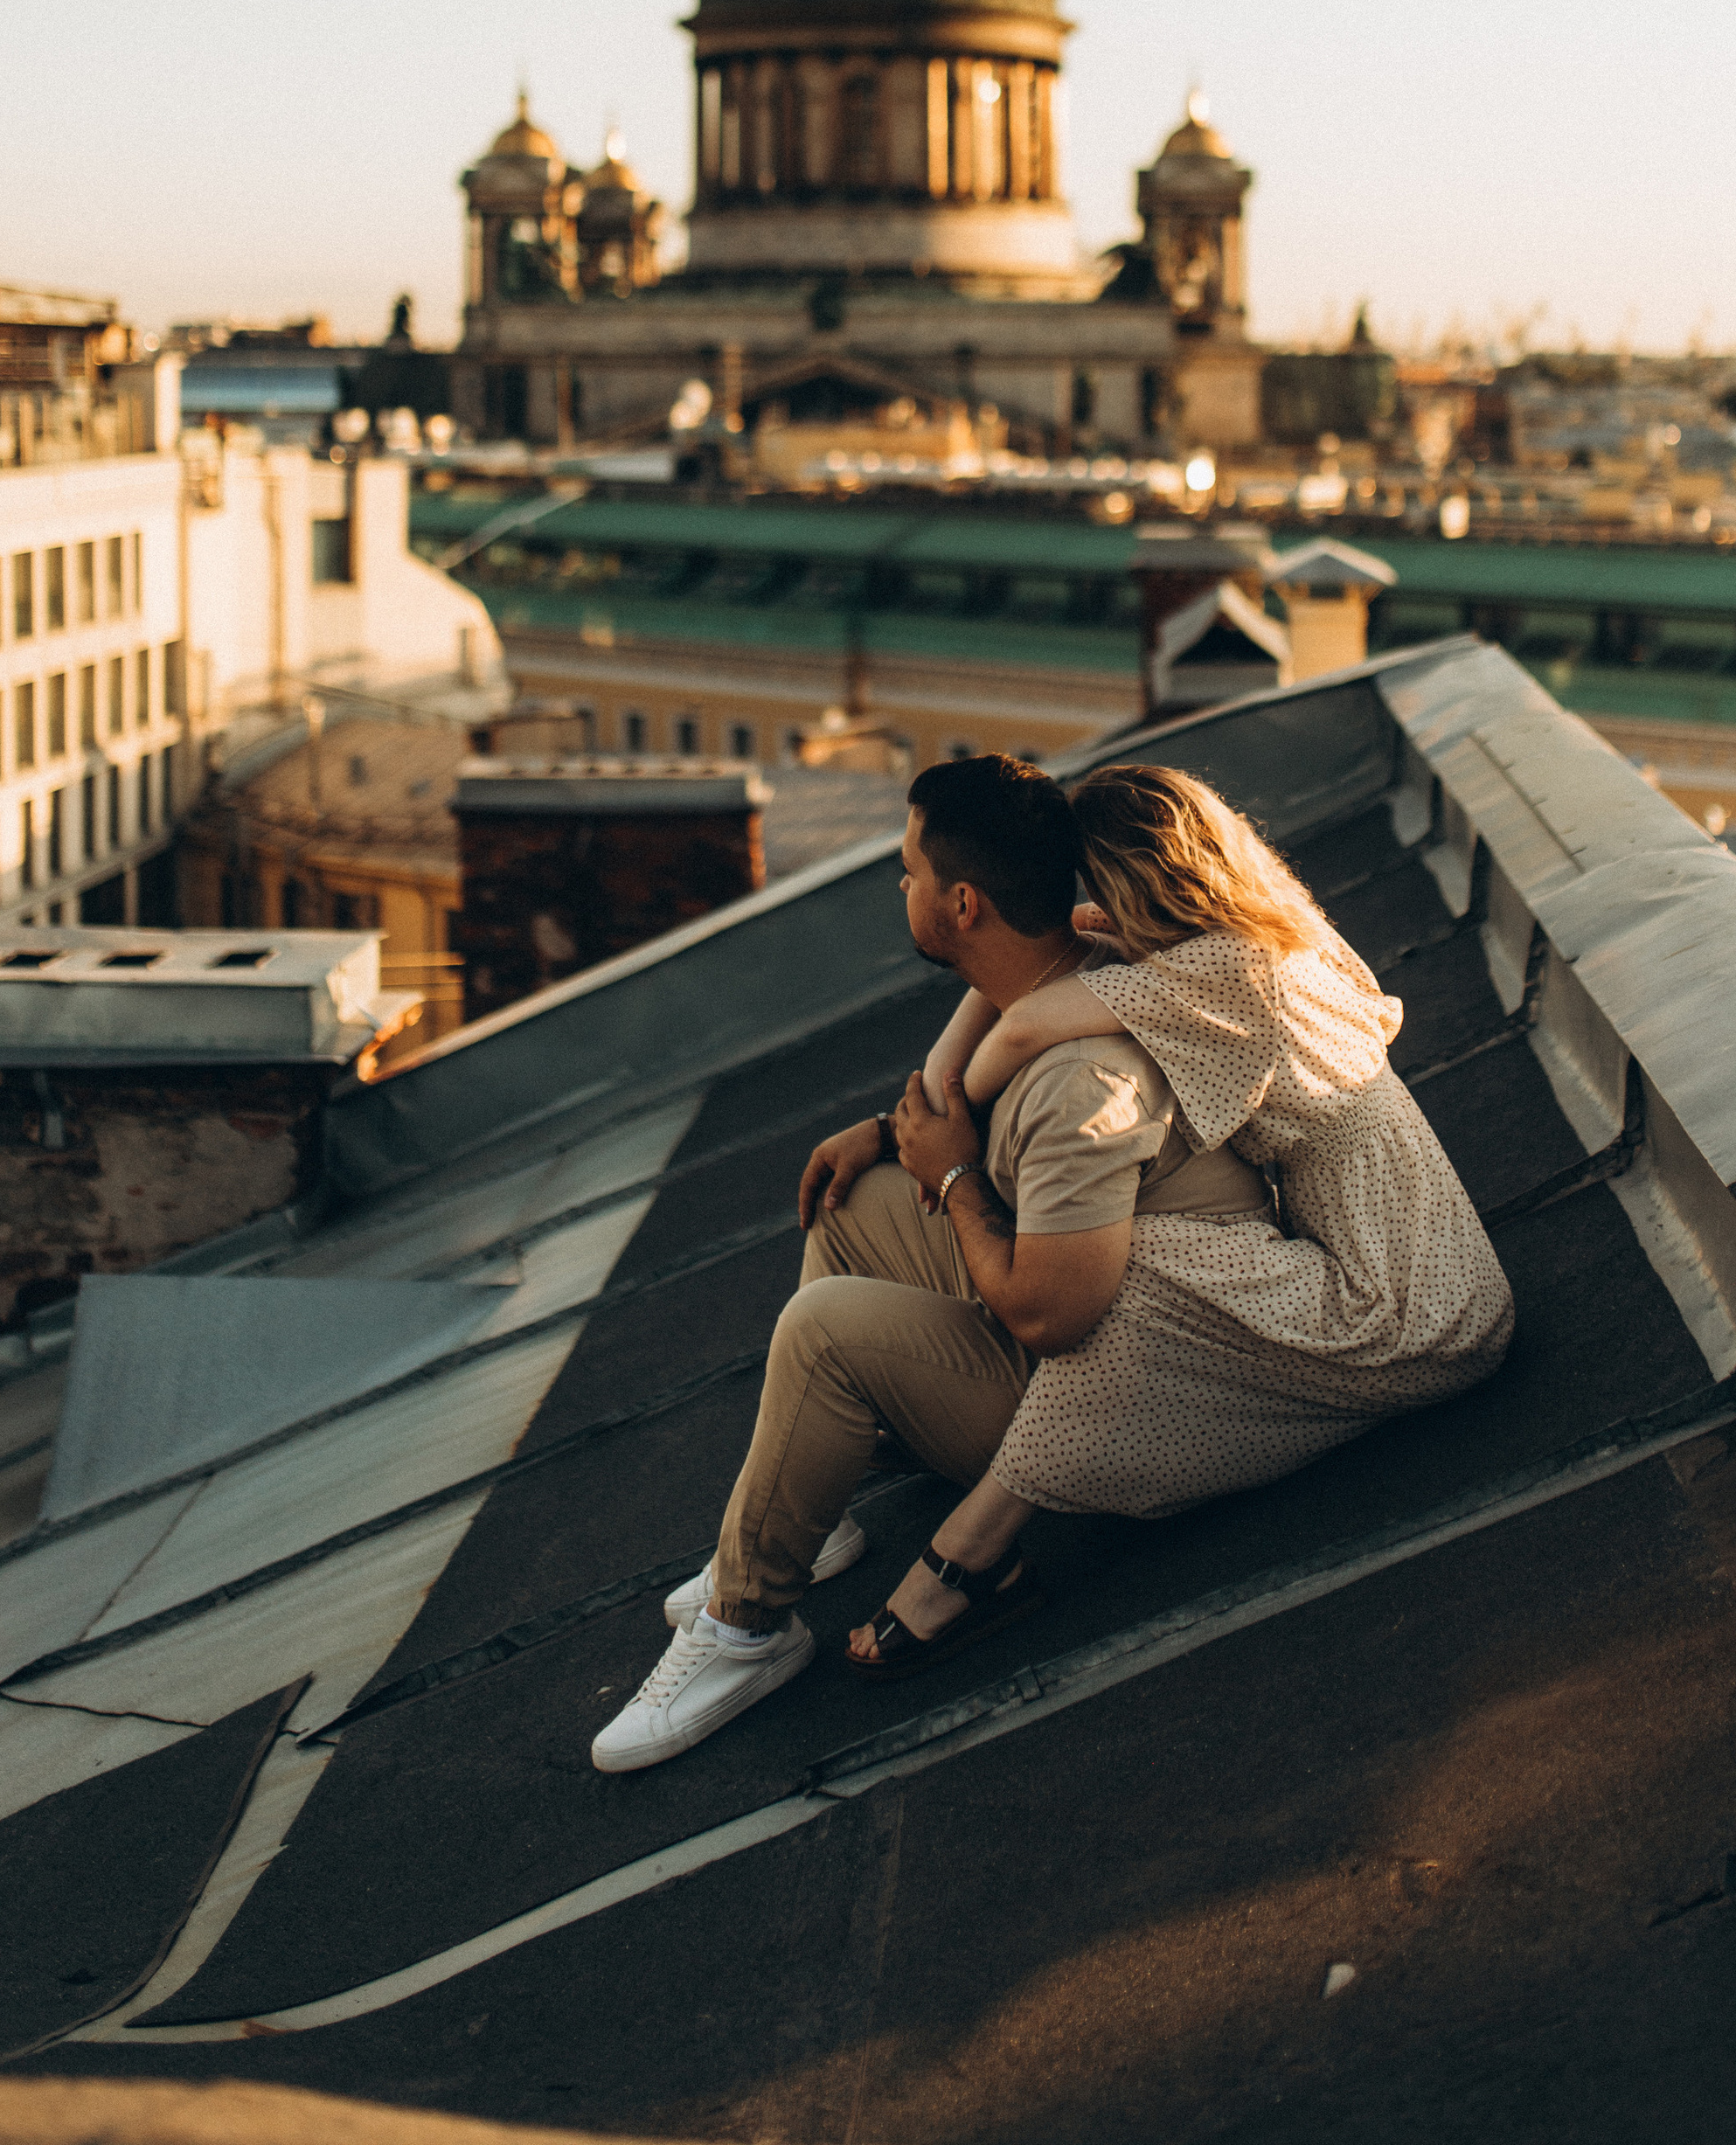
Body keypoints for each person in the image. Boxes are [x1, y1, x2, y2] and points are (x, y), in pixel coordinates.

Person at [590, 752, 1509, 1768]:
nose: (903, 881)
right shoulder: (1218, 942)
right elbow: (1040, 976)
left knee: (1063, 1285)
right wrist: (892, 1137)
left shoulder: (1202, 989)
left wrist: (943, 1163)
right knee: (860, 1212)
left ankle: (783, 1621)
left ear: (971, 900)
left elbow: (1028, 1054)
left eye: (911, 869)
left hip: (1396, 1298)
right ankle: (816, 1499)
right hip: (1353, 1236)